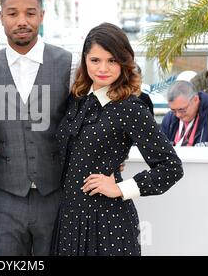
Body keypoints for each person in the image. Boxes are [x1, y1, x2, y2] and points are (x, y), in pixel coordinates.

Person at [51, 23, 183, 256]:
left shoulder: (131, 108)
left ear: (124, 61)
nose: (103, 68)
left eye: (112, 60)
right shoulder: (77, 98)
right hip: (70, 219)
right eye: (95, 60)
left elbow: (171, 167)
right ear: (85, 60)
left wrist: (121, 188)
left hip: (108, 225)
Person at [0, 0, 75, 256]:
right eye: (13, 14)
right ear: (2, 18)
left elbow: (88, 121)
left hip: (55, 193)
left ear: (41, 16)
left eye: (30, 13)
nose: (22, 21)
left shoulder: (68, 65)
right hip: (3, 196)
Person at [161, 80, 208, 147]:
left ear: (196, 99)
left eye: (182, 110)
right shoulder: (169, 118)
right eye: (173, 110)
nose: (178, 115)